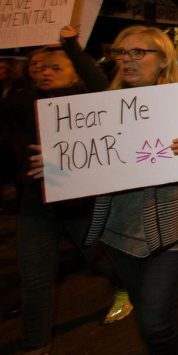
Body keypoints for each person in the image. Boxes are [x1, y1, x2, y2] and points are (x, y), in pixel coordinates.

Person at [78, 25, 178, 354]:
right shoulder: (104, 105)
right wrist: (52, 167)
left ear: (162, 59)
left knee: (155, 322)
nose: (127, 59)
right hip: (121, 232)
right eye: (120, 52)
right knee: (147, 316)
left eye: (137, 52)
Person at [10, 28, 131, 353]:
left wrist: (71, 45)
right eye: (41, 68)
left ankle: (124, 286)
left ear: (76, 72)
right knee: (34, 280)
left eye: (56, 67)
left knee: (99, 260)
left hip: (82, 205)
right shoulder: (24, 101)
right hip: (38, 206)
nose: (45, 73)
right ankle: (36, 346)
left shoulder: (90, 100)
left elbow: (102, 88)